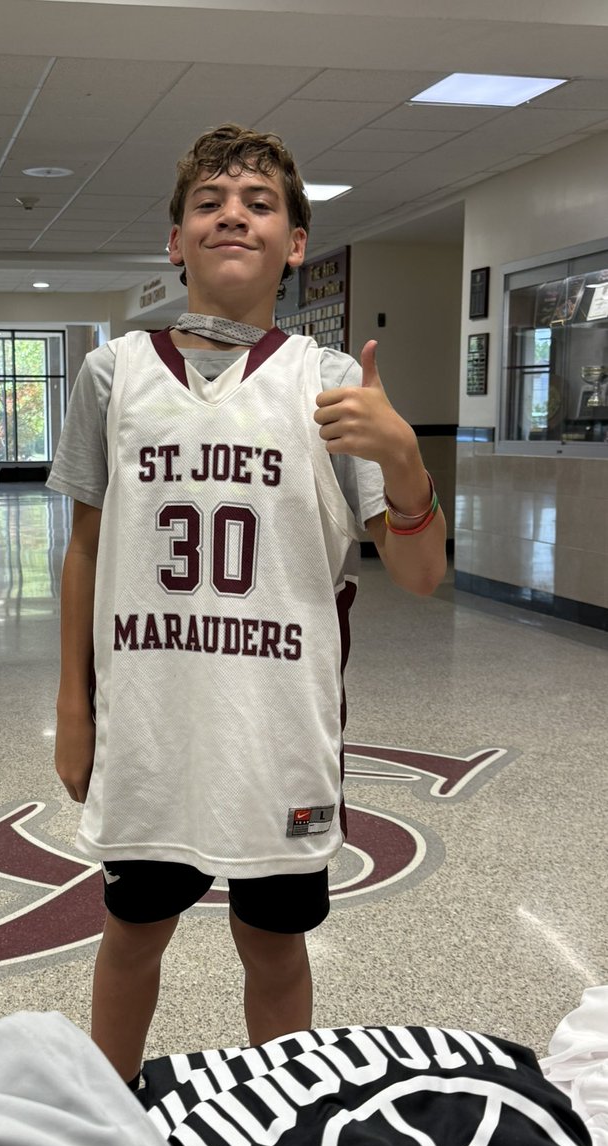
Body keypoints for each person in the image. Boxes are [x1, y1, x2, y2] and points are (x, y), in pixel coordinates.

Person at [46, 123, 446, 1087]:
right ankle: (105, 1124)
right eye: (209, 202)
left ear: (296, 243)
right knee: (131, 934)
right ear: (174, 240)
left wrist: (403, 459)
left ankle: (281, 1126)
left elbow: (423, 575)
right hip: (150, 719)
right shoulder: (114, 374)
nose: (234, 214)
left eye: (261, 203)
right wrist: (73, 704)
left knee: (274, 948)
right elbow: (88, 549)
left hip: (278, 726)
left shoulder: (333, 383)